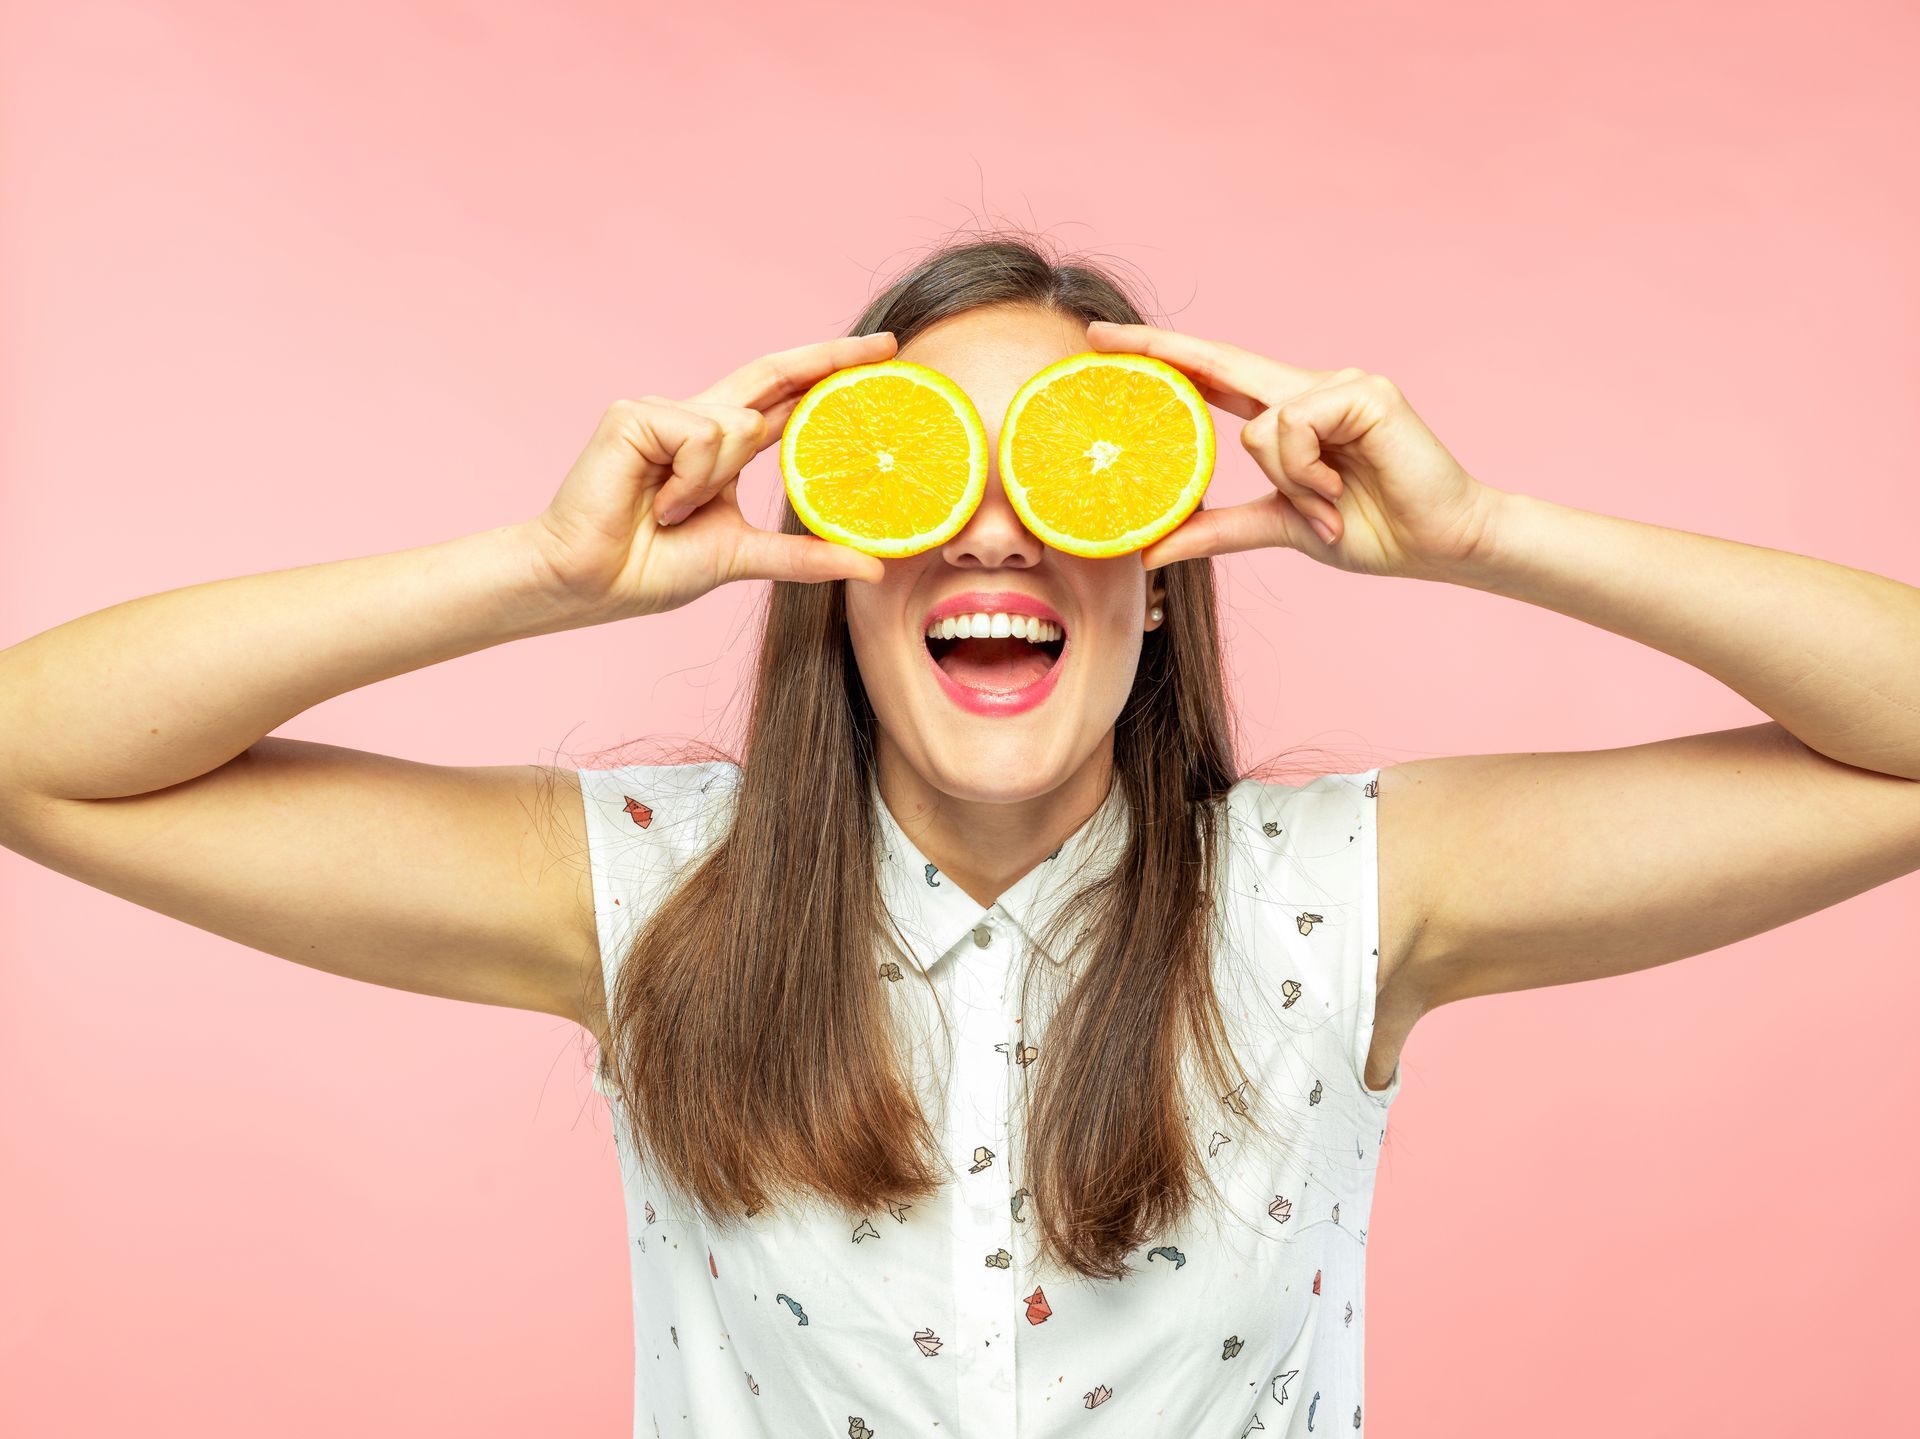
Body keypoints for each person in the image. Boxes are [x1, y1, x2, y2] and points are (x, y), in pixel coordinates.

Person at [3, 234, 1917, 1439]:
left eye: (1077, 460)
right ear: (829, 570)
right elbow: (35, 757)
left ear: (1161, 581)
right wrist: (540, 573)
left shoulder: (1340, 897)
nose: (997, 532)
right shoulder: (657, 893)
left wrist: (1488, 533)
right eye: (925, 464)